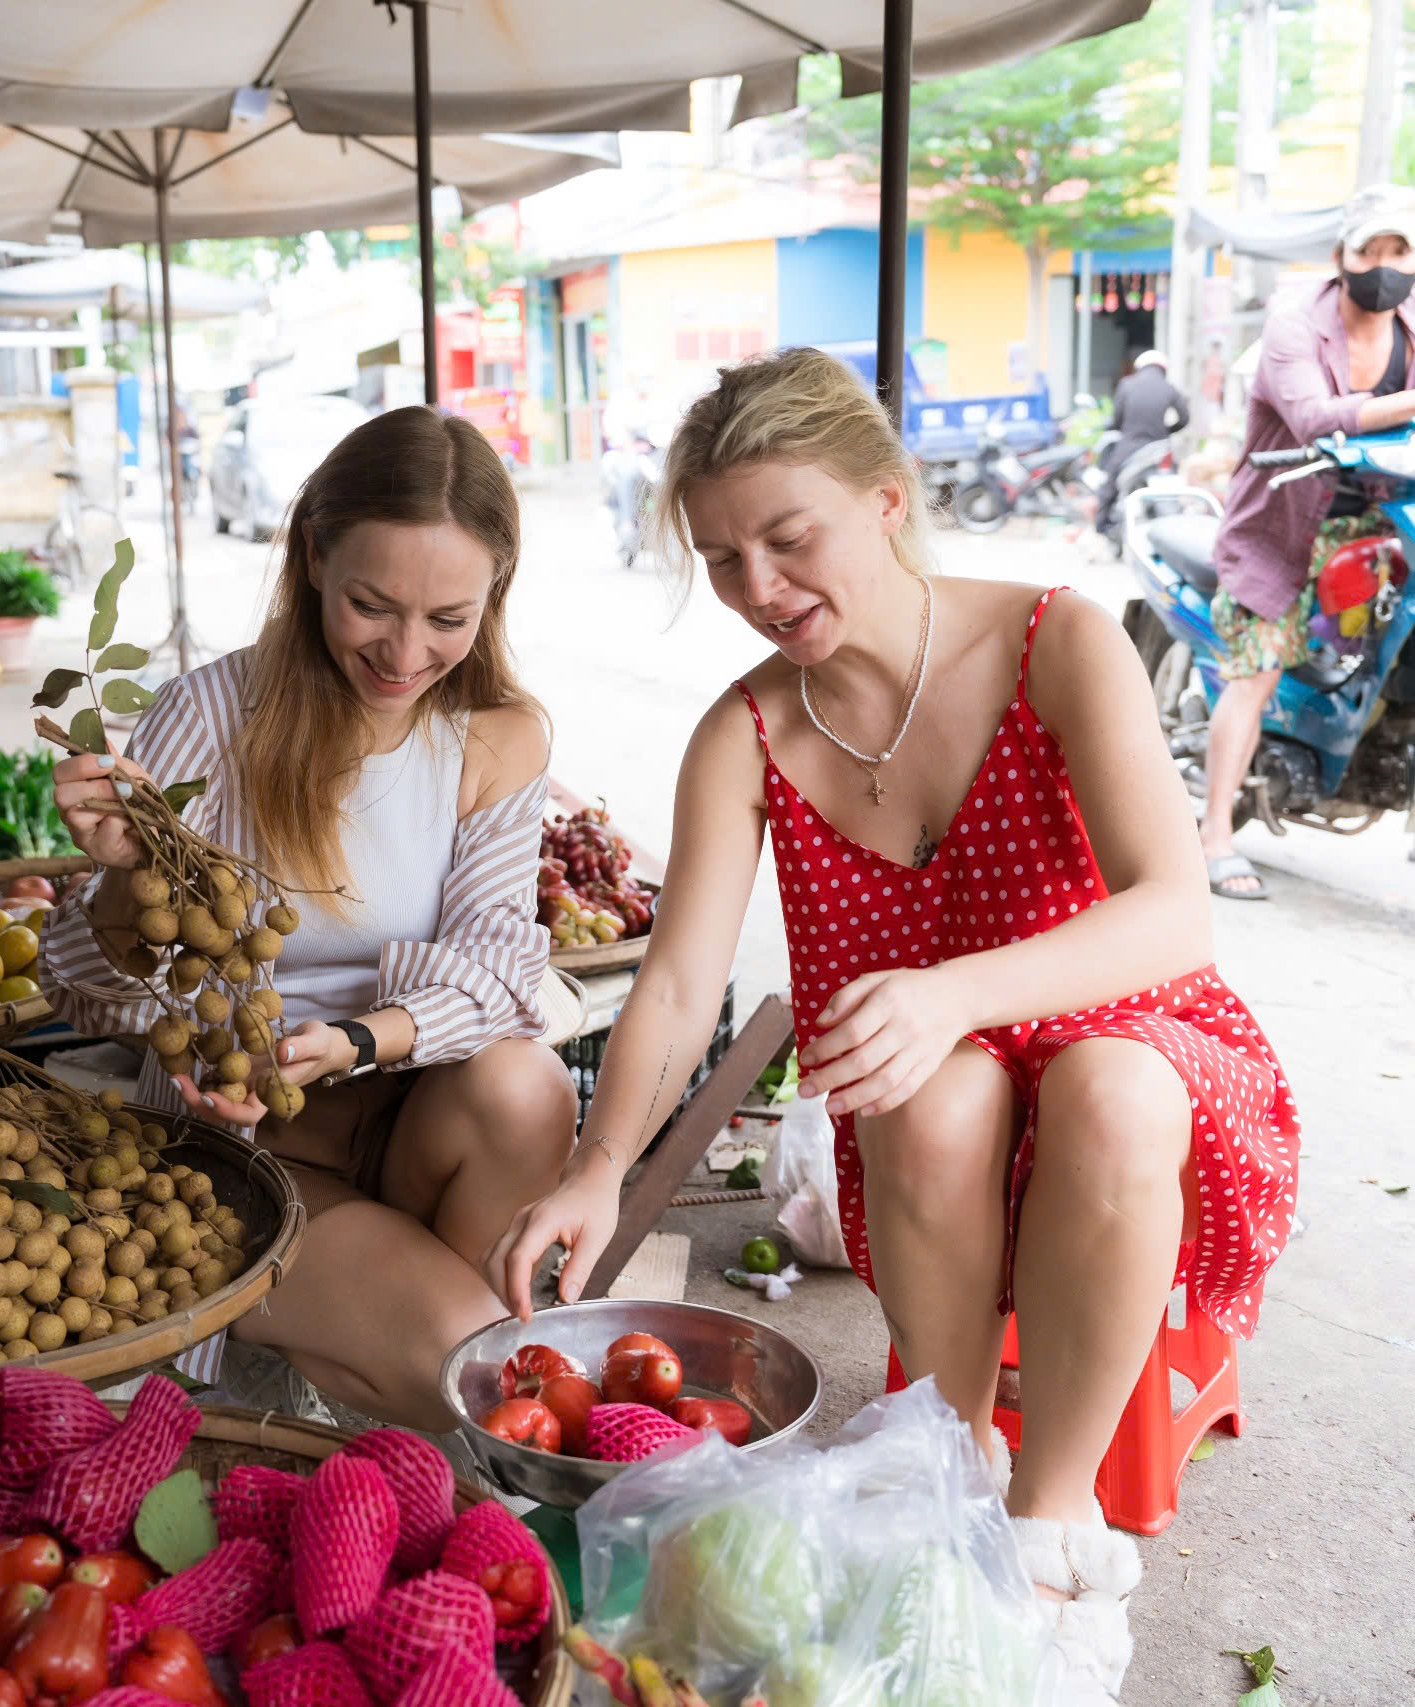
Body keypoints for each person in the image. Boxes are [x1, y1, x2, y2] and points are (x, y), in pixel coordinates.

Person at [488, 348, 1298, 1703]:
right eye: (723, 556)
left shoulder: (1056, 639)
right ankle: (955, 1463)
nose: (757, 587)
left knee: (1104, 1085)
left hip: (1144, 1054)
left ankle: (1052, 1538)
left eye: (786, 537)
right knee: (935, 1089)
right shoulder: (746, 733)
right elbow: (679, 982)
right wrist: (594, 1163)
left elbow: (1177, 915)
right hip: (933, 1105)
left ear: (884, 498)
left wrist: (953, 990)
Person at [44, 406, 577, 1431]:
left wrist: (353, 1042)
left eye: (448, 619)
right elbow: (79, 991)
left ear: (493, 596)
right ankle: (388, 1353)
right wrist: (118, 879)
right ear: (314, 558)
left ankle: (390, 1363)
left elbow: (506, 971)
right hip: (243, 1147)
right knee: (472, 1372)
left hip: (406, 1114)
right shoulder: (214, 715)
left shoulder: (497, 736)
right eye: (372, 606)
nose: (405, 652)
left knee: (527, 1085)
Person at [1198, 184, 1415, 899]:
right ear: (1342, 256)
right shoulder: (1293, 323)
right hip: (1284, 524)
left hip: (1384, 520)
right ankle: (1211, 835)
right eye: (1371, 249)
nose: (1385, 264)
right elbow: (1311, 417)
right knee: (1258, 670)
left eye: (1400, 250)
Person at [1093, 349, 1186, 539]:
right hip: (1160, 446)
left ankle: (1101, 526)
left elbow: (1117, 419)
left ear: (1140, 367)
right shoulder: (1169, 388)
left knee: (1110, 483)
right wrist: (1166, 431)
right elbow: (1185, 418)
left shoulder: (1127, 384)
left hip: (1130, 445)